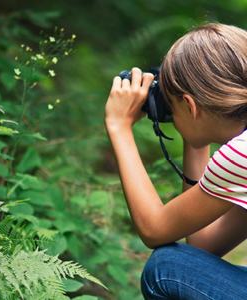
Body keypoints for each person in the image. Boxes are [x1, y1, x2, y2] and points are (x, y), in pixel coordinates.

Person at [104, 22, 247, 299]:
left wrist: (118, 126)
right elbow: (204, 245)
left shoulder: (240, 155)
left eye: (172, 105)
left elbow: (154, 229)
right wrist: (196, 138)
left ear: (191, 106)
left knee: (165, 268)